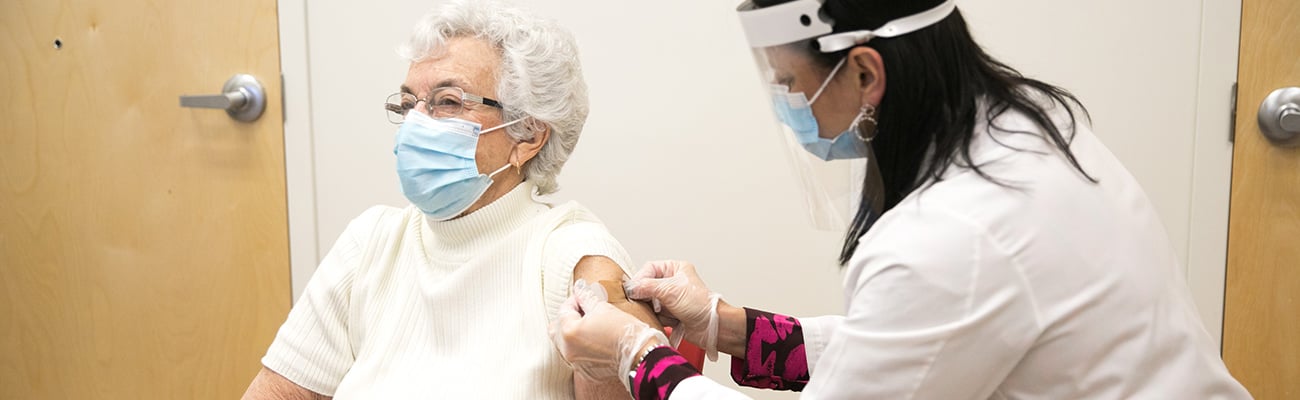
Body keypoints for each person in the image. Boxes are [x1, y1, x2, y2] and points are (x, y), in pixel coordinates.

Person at [550, 0, 1253, 399]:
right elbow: (910, 343)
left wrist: (637, 356)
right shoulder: (1025, 125)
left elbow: (918, 321)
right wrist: (728, 325)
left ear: (864, 71)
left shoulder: (952, 235)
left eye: (791, 85)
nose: (793, 108)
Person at [241, 1, 659, 398]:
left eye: (447, 102)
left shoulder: (568, 251)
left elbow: (627, 342)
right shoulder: (371, 241)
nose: (416, 123)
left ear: (528, 135)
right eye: (408, 103)